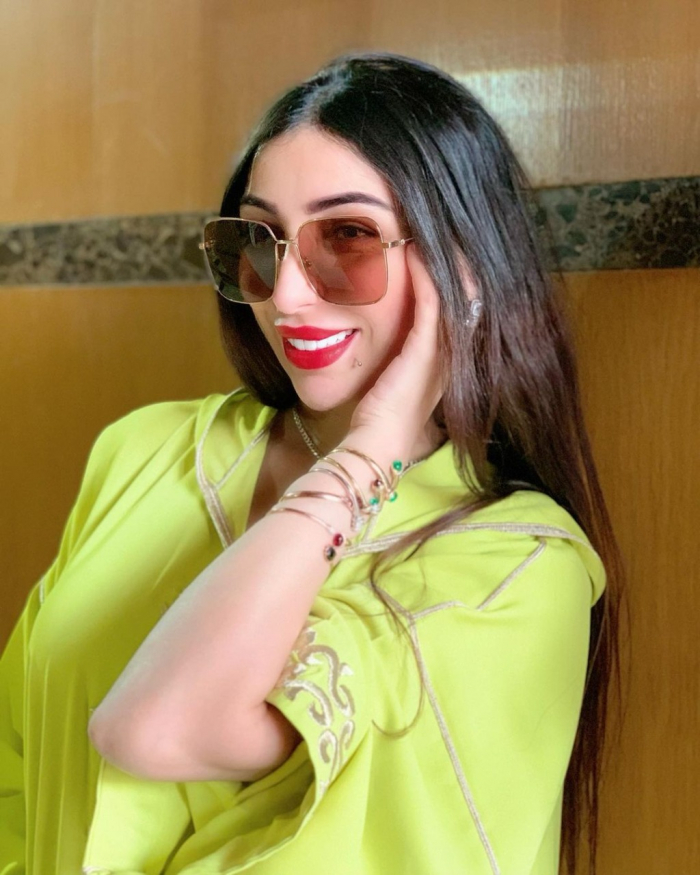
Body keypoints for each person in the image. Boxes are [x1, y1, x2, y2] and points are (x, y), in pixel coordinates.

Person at [0, 52, 621, 875]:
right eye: (259, 240)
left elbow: (152, 727)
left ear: (465, 272)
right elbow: (15, 767)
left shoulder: (516, 569)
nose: (286, 294)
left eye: (347, 237)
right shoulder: (144, 451)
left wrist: (365, 459)